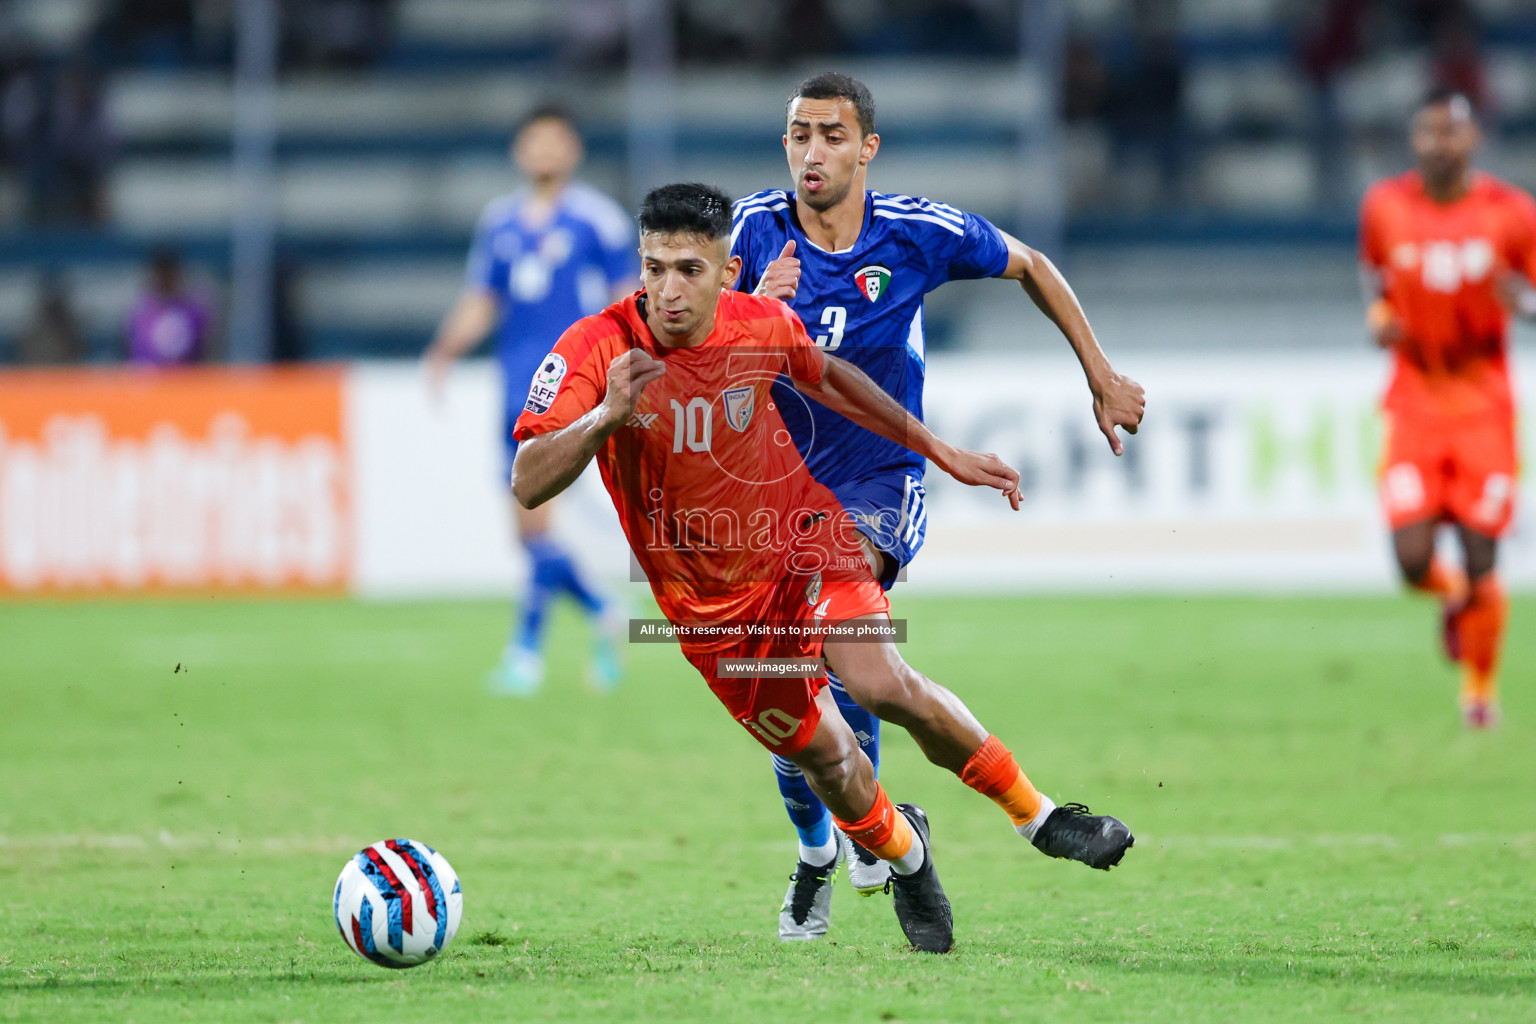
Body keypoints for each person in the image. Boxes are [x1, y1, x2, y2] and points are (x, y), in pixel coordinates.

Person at [510, 182, 1134, 954]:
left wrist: (944, 452)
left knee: (879, 682)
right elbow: (528, 478)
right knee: (828, 757)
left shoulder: (760, 320)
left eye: (689, 270)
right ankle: (908, 854)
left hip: (806, 537)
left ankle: (1037, 816)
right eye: (654, 268)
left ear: (726, 270)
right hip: (710, 611)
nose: (668, 289)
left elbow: (831, 377)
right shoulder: (597, 347)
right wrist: (604, 416)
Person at [731, 72, 1146, 939]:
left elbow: (1031, 263)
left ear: (867, 148)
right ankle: (832, 855)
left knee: (862, 676)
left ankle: (1036, 819)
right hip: (765, 492)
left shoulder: (917, 232)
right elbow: (676, 341)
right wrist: (745, 314)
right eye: (800, 133)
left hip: (875, 483)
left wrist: (1100, 374)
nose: (814, 151)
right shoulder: (745, 231)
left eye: (833, 135)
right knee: (793, 708)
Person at [424, 104, 636, 696]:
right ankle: (600, 608)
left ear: (572, 151)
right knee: (527, 533)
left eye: (554, 141)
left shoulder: (598, 221)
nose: (543, 151)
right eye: (533, 141)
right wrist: (443, 350)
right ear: (520, 151)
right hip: (511, 387)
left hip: (567, 386)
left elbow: (626, 297)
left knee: (535, 523)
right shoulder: (500, 223)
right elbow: (483, 299)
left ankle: (526, 652)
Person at [1359, 87, 1536, 729]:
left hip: (1486, 404)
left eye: (1450, 132)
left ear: (1473, 139)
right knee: (1411, 559)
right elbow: (1374, 279)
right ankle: (1454, 598)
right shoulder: (1383, 206)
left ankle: (1478, 695)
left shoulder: (1513, 214)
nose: (1439, 144)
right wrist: (1380, 318)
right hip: (1414, 401)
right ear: (1414, 140)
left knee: (1483, 552)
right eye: (1427, 132)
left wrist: (1526, 305)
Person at [126, 248, 212, 367]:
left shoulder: (194, 312)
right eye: (160, 275)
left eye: (169, 275)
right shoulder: (139, 312)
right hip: (148, 380)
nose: (164, 280)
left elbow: (204, 355)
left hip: (185, 381)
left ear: (177, 275)